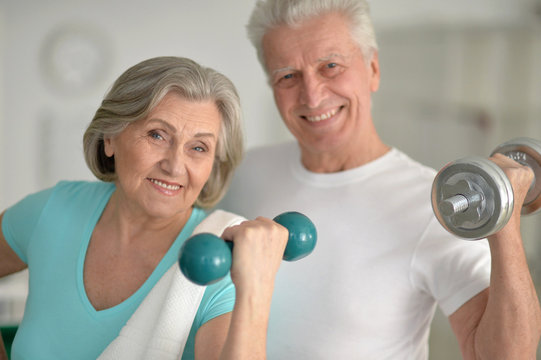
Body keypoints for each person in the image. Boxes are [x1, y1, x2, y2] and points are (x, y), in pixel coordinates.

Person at [220, 0, 541, 358]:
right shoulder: (245, 172)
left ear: (373, 69)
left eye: (330, 66)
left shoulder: (433, 202)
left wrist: (505, 225)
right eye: (288, 76)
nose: (312, 95)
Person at [0, 56, 290, 360]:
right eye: (157, 135)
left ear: (213, 165)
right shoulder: (50, 211)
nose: (175, 165)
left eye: (198, 147)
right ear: (110, 138)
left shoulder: (218, 262)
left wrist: (255, 286)